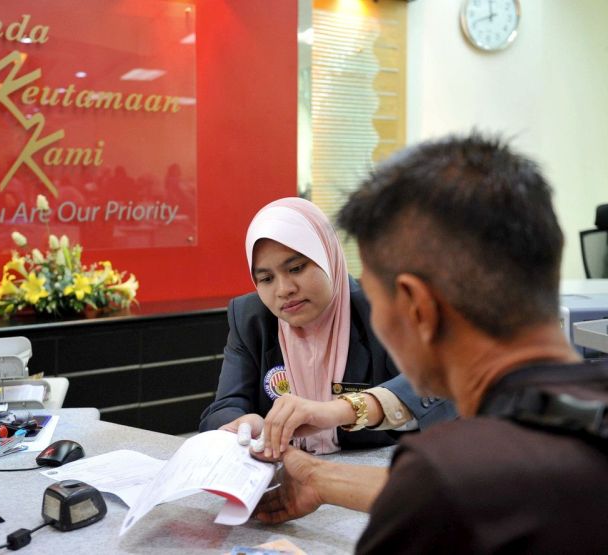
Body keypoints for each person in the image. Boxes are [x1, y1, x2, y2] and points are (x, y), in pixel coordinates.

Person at [252, 133, 608, 553]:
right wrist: (319, 478)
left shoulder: (442, 476)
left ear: (418, 307)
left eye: (375, 294)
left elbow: (448, 490)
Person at [199, 197, 455, 455]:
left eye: (297, 268)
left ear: (327, 256)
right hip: (286, 475)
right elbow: (224, 407)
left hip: (370, 479)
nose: (284, 290)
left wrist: (340, 410)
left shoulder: (381, 306)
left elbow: (437, 384)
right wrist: (242, 425)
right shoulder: (251, 318)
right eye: (266, 278)